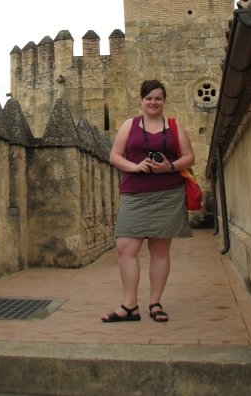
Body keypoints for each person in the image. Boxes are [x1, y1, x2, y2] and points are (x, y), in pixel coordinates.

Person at [101, 79, 195, 323]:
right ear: (141, 101)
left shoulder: (174, 126)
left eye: (158, 98)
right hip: (134, 194)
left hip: (168, 194)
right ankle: (129, 305)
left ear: (164, 100)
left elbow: (189, 157)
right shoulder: (129, 125)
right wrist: (135, 166)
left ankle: (155, 303)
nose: (153, 102)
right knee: (126, 247)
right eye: (149, 98)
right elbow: (114, 156)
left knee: (160, 251)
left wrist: (169, 166)